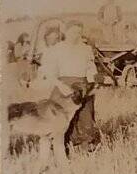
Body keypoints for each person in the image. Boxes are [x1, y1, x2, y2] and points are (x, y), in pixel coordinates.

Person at [36, 20, 100, 151]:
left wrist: (93, 82)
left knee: (85, 115)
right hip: (64, 87)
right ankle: (61, 146)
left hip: (83, 86)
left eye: (78, 32)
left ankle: (86, 146)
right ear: (66, 32)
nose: (75, 35)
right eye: (73, 32)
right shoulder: (57, 49)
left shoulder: (86, 49)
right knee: (61, 118)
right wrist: (60, 85)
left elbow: (90, 68)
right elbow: (49, 72)